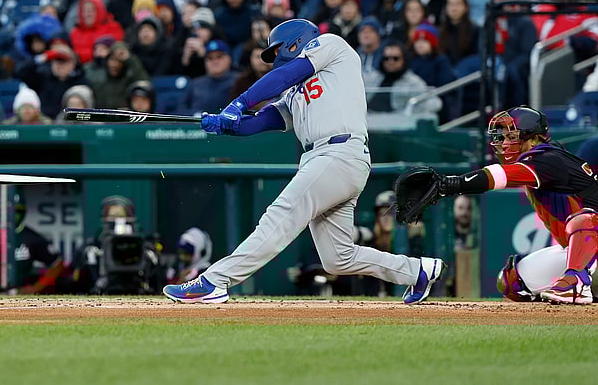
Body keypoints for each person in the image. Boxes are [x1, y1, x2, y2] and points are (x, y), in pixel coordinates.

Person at [163, 19, 446, 304]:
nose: (275, 59)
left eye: (276, 51)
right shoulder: (296, 89)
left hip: (338, 152)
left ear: (295, 41)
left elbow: (287, 74)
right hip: (328, 160)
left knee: (279, 216)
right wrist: (224, 125)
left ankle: (215, 280)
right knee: (338, 258)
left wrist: (239, 103)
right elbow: (266, 120)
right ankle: (417, 271)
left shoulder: (331, 45)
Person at [425, 106, 598, 304]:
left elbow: (499, 177)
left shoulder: (547, 157)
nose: (503, 143)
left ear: (532, 139)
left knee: (584, 219)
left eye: (511, 136)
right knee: (512, 282)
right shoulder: (542, 157)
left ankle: (576, 283)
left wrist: (450, 184)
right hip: (595, 250)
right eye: (503, 137)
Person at [365, 40, 442, 115]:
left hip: (397, 124)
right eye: (386, 58)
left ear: (403, 59)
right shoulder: (373, 77)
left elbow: (435, 103)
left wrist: (406, 113)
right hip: (369, 121)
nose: (390, 61)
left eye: (396, 58)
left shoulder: (413, 82)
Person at [179, 39, 239, 115]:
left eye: (219, 57)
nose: (215, 61)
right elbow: (181, 108)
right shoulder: (195, 84)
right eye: (210, 58)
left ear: (229, 59)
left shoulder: (239, 81)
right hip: (197, 125)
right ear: (205, 62)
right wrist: (194, 114)